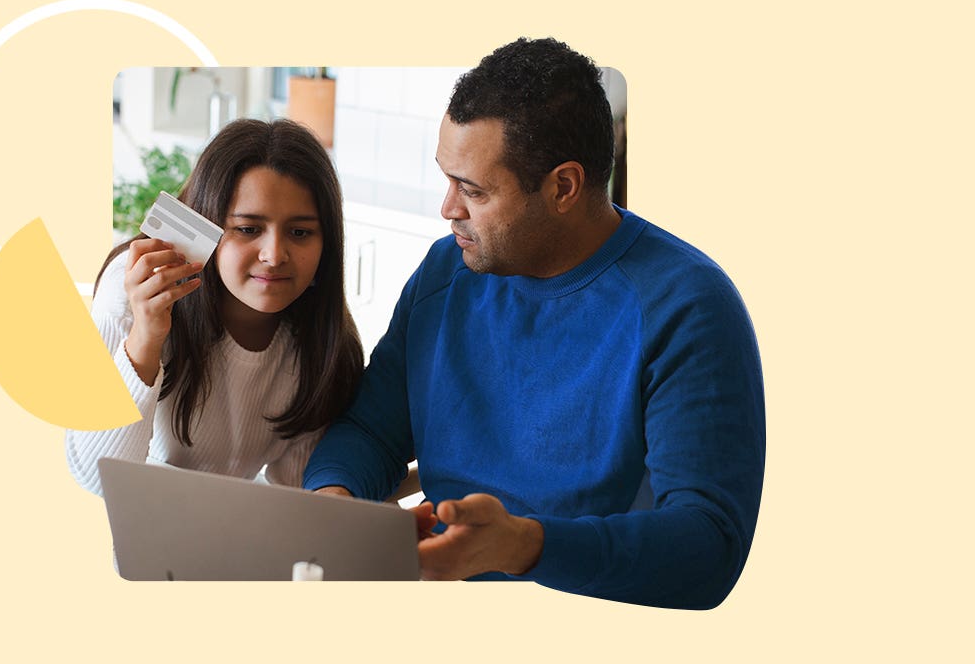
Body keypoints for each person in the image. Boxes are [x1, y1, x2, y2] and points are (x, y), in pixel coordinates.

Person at [303, 38, 765, 609]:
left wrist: (524, 547)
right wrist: (333, 500)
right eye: (447, 179)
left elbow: (707, 548)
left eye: (472, 190)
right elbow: (371, 431)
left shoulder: (687, 306)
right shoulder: (447, 271)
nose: (448, 208)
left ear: (563, 187)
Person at [67, 118, 363, 496]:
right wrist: (145, 338)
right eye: (248, 229)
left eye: (300, 232)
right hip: (146, 534)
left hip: (242, 537)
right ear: (207, 226)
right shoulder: (131, 293)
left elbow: (299, 490)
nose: (274, 256)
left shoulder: (323, 343)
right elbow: (97, 479)